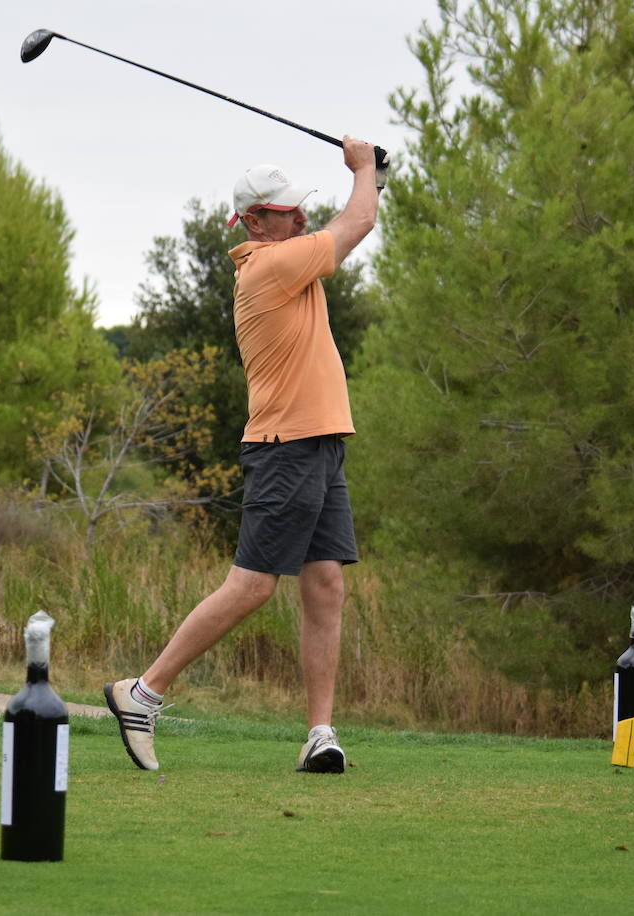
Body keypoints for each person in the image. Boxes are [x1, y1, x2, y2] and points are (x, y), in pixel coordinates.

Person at [105, 136, 382, 773]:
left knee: (326, 584)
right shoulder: (267, 266)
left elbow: (356, 213)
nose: (301, 217)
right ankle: (142, 694)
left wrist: (374, 178)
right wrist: (364, 169)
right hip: (285, 452)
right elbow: (358, 219)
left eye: (299, 208)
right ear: (255, 221)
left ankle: (320, 734)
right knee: (253, 586)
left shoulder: (291, 261)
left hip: (320, 446)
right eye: (287, 211)